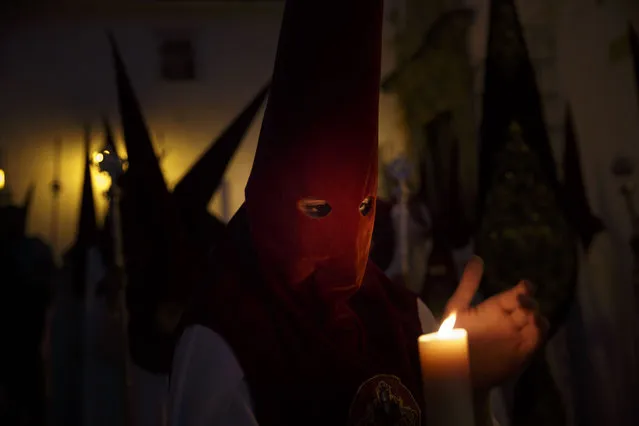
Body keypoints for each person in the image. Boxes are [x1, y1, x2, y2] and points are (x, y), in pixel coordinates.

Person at [169, 0, 547, 425]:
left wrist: (466, 379)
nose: (345, 239)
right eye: (317, 209)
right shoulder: (226, 337)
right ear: (272, 198)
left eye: (364, 206)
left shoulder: (401, 318)